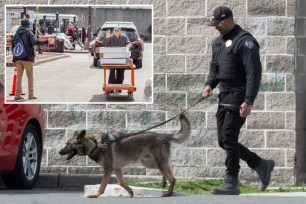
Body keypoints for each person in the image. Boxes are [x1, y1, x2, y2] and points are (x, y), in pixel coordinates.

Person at [202, 6, 275, 195]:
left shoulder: (245, 42)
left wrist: (249, 100)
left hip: (239, 94)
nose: (215, 27)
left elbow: (254, 74)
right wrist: (210, 84)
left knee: (228, 136)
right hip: (224, 95)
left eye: (217, 24)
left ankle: (232, 180)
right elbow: (215, 66)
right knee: (223, 140)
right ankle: (260, 164)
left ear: (227, 21)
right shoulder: (218, 43)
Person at [12, 19, 48, 100]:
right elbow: (34, 42)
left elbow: (13, 46)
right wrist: (45, 42)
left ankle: (17, 95)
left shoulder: (16, 33)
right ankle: (31, 95)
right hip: (27, 58)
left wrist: (15, 58)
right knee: (30, 77)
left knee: (19, 77)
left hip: (18, 58)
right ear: (28, 25)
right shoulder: (28, 32)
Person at [101, 27, 131, 92]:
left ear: (120, 31)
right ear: (114, 31)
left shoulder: (124, 37)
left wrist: (128, 46)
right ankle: (111, 88)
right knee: (112, 73)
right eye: (115, 30)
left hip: (122, 59)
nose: (116, 31)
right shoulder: (111, 37)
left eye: (118, 30)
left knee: (121, 73)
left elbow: (129, 43)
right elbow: (105, 44)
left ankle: (118, 87)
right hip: (112, 59)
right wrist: (107, 37)